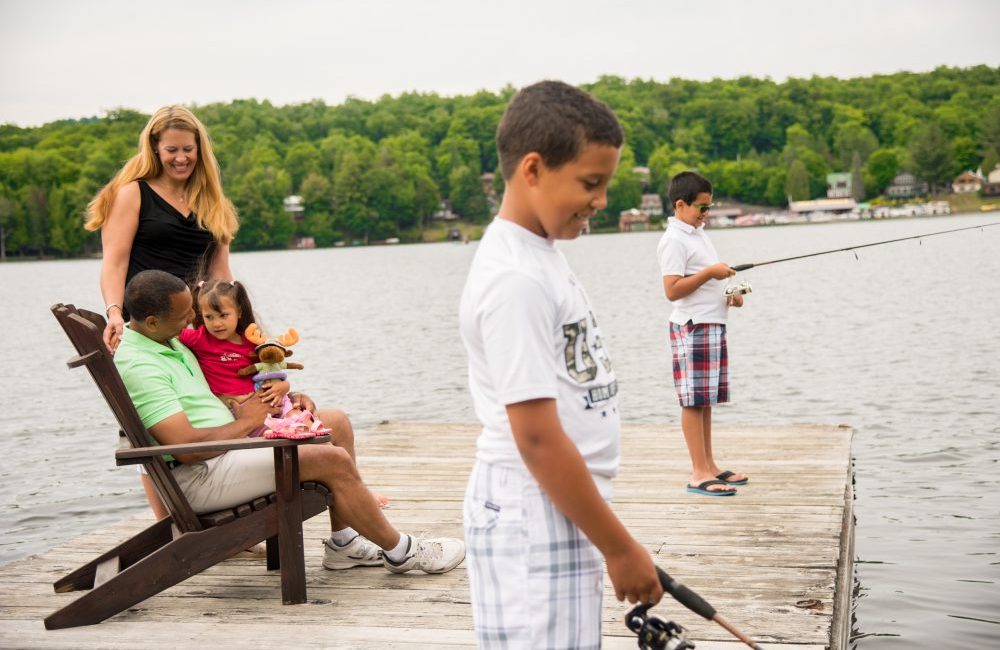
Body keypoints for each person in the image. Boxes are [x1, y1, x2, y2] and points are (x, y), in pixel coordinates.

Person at [459, 80, 663, 648]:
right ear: (532, 170)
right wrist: (620, 547)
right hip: (532, 506)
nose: (601, 201)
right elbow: (538, 438)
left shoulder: (539, 256)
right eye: (590, 184)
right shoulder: (515, 279)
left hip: (557, 505)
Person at [115, 270, 464, 574]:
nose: (192, 320)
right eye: (184, 316)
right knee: (329, 458)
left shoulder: (166, 341)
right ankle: (402, 552)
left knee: (336, 422)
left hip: (229, 443)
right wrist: (247, 420)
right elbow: (186, 448)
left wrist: (281, 399)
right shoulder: (141, 365)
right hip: (202, 473)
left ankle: (343, 543)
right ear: (151, 322)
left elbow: (224, 377)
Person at [85, 105, 239, 519]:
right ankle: (173, 524)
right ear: (155, 148)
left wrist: (237, 324)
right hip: (151, 324)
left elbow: (222, 275)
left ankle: (220, 508)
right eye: (171, 149)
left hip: (195, 327)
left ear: (199, 149)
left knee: (215, 403)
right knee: (154, 430)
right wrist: (114, 311)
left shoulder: (211, 198)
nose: (180, 158)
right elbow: (114, 263)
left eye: (188, 149)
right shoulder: (133, 192)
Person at [182, 278, 388, 506]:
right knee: (316, 443)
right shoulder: (200, 339)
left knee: (318, 435)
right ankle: (356, 493)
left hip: (269, 408)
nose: (216, 323)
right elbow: (169, 332)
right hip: (242, 419)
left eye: (223, 315)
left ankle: (357, 490)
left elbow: (271, 371)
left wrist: (284, 386)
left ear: (239, 311)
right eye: (209, 317)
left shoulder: (252, 344)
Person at [657, 171, 749, 497]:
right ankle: (698, 473)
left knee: (706, 401)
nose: (706, 214)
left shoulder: (698, 234)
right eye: (701, 208)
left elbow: (706, 281)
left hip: (712, 322)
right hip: (692, 325)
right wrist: (712, 271)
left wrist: (729, 294)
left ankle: (709, 465)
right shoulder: (673, 240)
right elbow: (672, 290)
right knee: (692, 401)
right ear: (680, 205)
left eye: (709, 208)